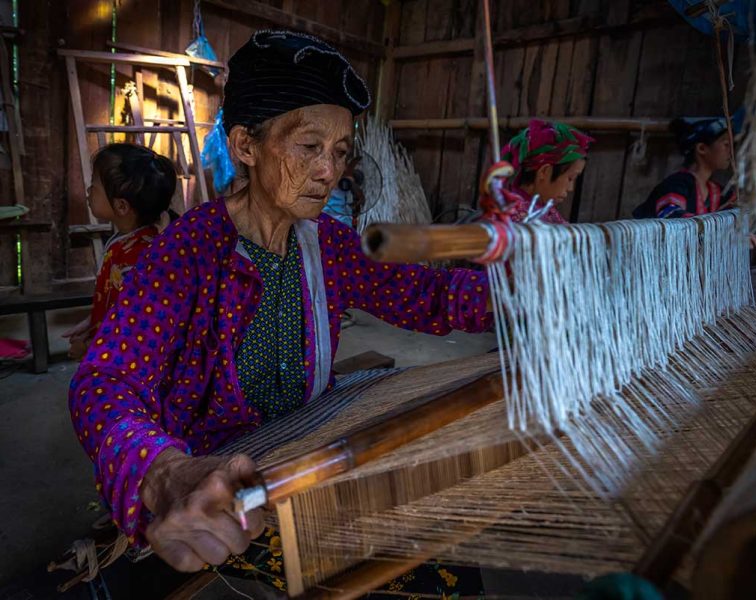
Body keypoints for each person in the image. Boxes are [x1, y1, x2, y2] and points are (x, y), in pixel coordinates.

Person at [68, 30, 493, 575]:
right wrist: (165, 472)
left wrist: (523, 292)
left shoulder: (325, 244)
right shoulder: (186, 253)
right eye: (309, 146)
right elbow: (104, 382)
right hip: (228, 481)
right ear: (246, 145)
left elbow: (426, 296)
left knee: (439, 532)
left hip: (305, 442)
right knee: (413, 568)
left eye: (340, 152)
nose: (329, 171)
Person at [62, 144, 177, 359]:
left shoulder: (138, 260)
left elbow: (135, 333)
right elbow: (117, 304)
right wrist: (93, 320)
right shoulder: (125, 242)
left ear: (122, 206)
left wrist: (88, 350)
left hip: (124, 366)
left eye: (94, 186)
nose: (88, 191)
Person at [633, 117, 734, 219]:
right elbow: (671, 218)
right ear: (702, 149)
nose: (731, 151)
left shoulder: (720, 193)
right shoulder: (676, 185)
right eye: (726, 144)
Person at [500, 118, 594, 223]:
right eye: (570, 178)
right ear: (544, 172)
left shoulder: (544, 210)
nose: (570, 188)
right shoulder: (516, 218)